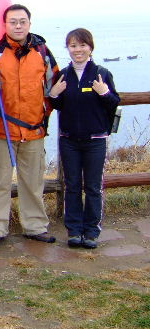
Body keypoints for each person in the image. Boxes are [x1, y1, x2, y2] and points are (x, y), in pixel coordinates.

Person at [0, 4, 59, 247]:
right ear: (5, 25)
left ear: (29, 24)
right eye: (13, 22)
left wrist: (44, 113)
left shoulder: (42, 51)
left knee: (33, 183)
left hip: (34, 130)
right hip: (1, 129)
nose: (18, 26)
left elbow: (54, 86)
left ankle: (35, 226)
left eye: (22, 21)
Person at [49, 28, 119, 249]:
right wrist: (53, 94)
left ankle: (91, 231)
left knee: (93, 187)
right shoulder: (63, 75)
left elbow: (114, 103)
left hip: (95, 140)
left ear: (90, 47)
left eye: (82, 45)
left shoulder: (101, 73)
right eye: (73, 45)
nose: (77, 50)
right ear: (68, 48)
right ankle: (74, 231)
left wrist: (104, 92)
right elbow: (58, 105)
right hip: (69, 139)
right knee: (71, 186)